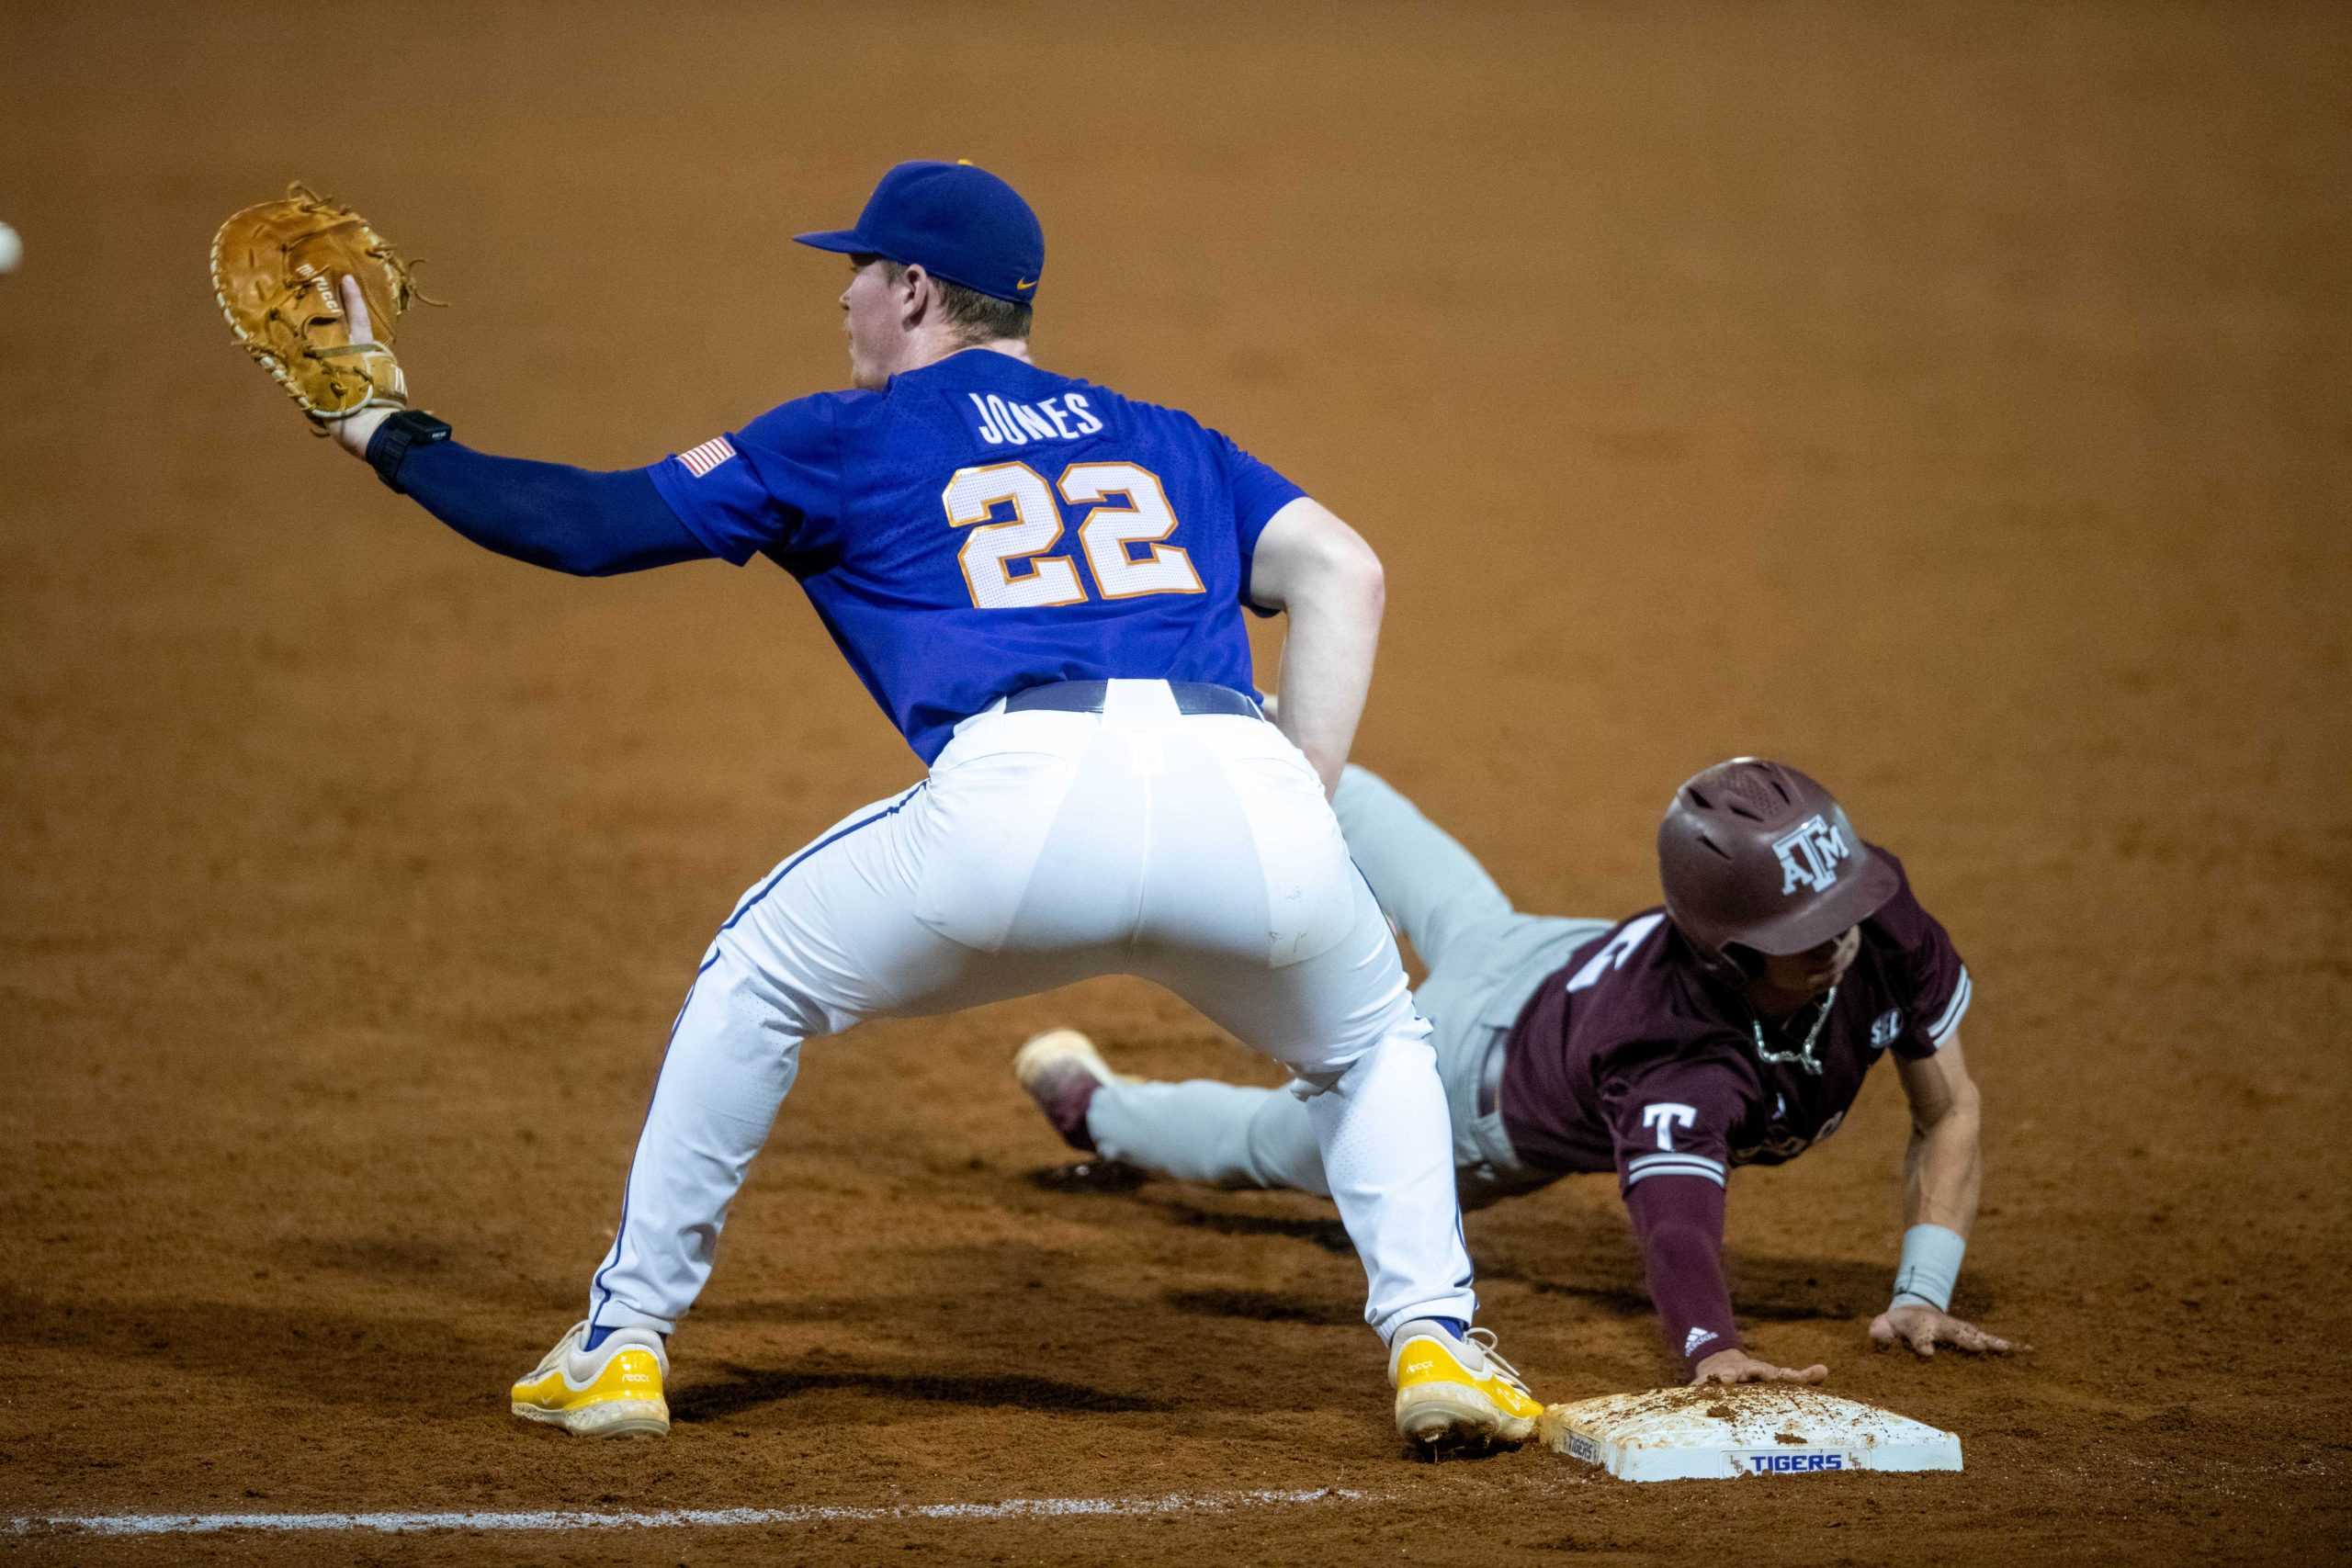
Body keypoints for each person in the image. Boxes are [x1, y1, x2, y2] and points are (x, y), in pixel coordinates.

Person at [319, 161, 1542, 1448]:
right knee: (1374, 1042)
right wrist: (1297, 800)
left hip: (1015, 813)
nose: (842, 298)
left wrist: (384, 428)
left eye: (856, 270)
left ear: (912, 288)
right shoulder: (1166, 432)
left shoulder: (840, 436)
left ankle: (625, 1344)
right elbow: (1345, 569)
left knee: (755, 975)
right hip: (1244, 800)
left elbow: (584, 524)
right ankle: (1436, 1340)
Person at [1016, 757, 2023, 1386]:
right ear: (1724, 947)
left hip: (1542, 953)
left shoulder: (1873, 914)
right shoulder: (1674, 1054)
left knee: (1417, 865)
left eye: (1841, 911)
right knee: (1272, 1148)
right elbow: (1674, 1223)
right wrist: (1711, 1346)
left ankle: (1261, 738)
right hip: (1466, 1092)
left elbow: (1949, 1111)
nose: (1840, 940)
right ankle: (1099, 1108)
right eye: (1805, 934)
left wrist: (1921, 1291)